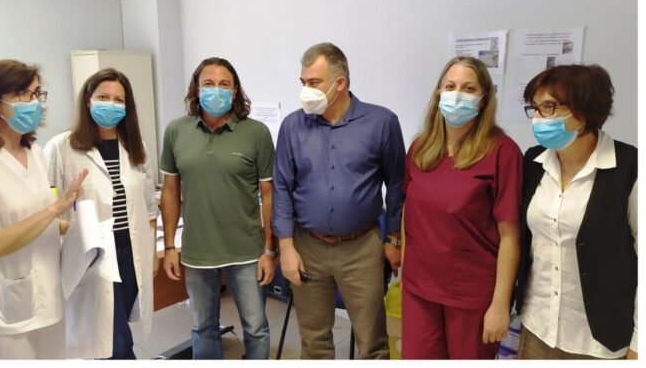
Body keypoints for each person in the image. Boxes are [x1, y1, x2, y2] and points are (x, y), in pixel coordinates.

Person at [272, 42, 405, 359]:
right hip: (308, 247)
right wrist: (286, 247)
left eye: (314, 82)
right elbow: (281, 188)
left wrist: (394, 238)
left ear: (340, 82)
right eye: (303, 82)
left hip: (362, 248)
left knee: (372, 343)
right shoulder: (292, 126)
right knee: (314, 341)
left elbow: (397, 184)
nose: (306, 91)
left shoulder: (381, 122)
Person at [0, 59, 87, 359]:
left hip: (47, 298)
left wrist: (71, 229)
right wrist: (55, 209)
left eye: (37, 93)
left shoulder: (35, 153)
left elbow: (31, 217)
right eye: (23, 94)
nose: (34, 102)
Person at [401, 56, 522, 359]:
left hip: (472, 295)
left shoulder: (502, 152)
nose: (457, 95)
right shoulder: (421, 148)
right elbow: (408, 213)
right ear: (438, 93)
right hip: (419, 287)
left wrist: (500, 305)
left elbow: (510, 237)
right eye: (450, 86)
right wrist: (406, 273)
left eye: (469, 89)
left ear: (483, 99)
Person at [515, 65, 638, 360]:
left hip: (599, 339)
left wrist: (639, 344)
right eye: (534, 108)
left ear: (585, 110)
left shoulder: (630, 168)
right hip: (537, 326)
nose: (538, 118)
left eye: (549, 107)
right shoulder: (533, 161)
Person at [160, 57, 275, 359]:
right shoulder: (176, 131)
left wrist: (269, 250)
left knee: (256, 328)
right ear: (196, 89)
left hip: (247, 252)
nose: (216, 90)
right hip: (198, 252)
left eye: (224, 84)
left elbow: (269, 195)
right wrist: (170, 246)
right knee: (203, 328)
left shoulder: (256, 133)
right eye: (208, 84)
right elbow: (170, 191)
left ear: (235, 91)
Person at [44, 68, 159, 359]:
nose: (111, 105)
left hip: (129, 253)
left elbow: (148, 206)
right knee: (115, 343)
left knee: (115, 332)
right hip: (91, 256)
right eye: (104, 97)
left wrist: (152, 252)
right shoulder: (61, 147)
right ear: (88, 100)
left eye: (119, 100)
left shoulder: (136, 147)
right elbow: (46, 209)